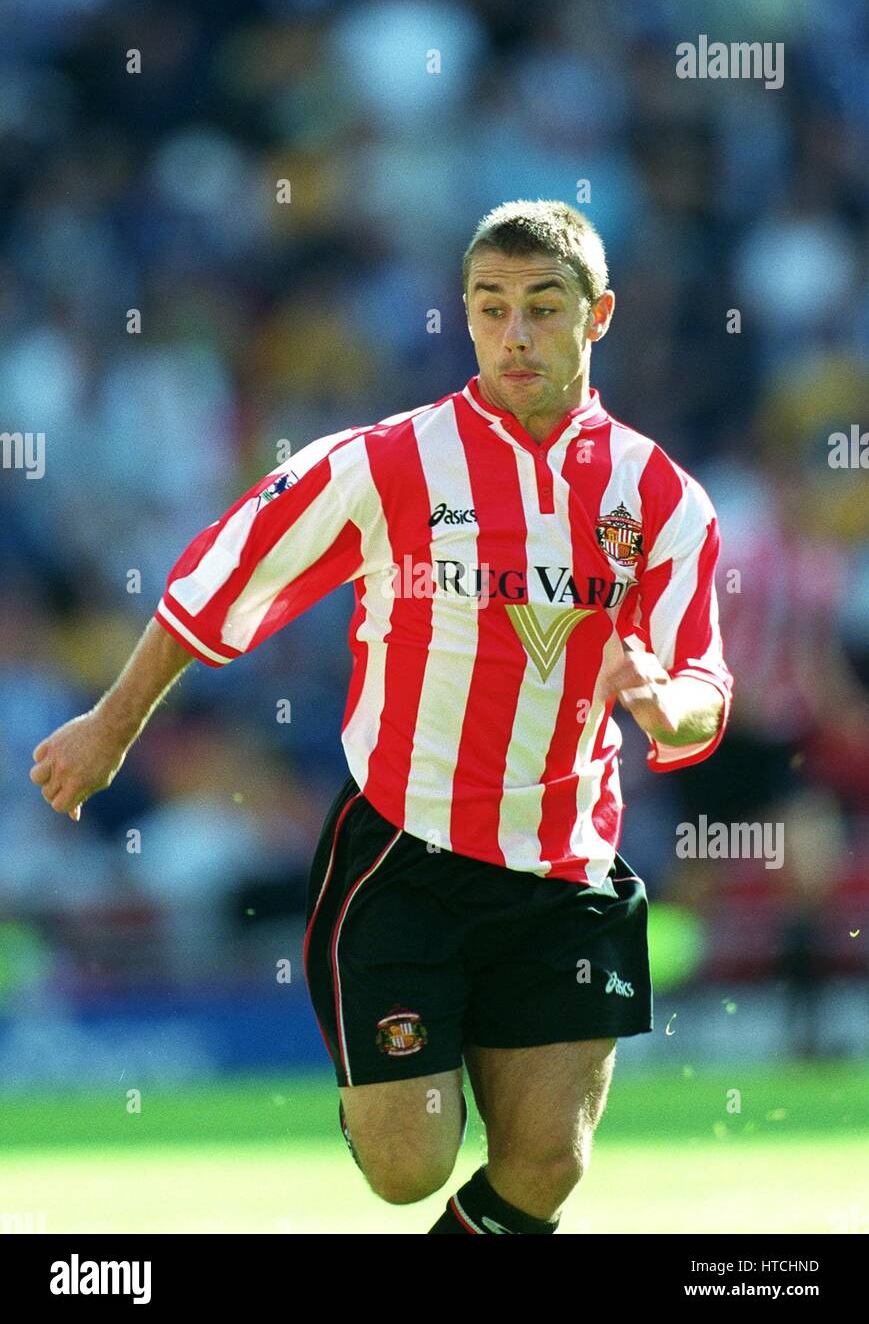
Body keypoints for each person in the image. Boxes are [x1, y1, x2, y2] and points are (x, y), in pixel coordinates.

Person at [30, 199, 732, 1234]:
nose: (515, 333)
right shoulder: (386, 462)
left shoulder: (660, 498)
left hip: (563, 868)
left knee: (545, 1164)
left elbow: (699, 688)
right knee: (407, 1169)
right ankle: (384, 1097)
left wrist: (659, 703)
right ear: (464, 314)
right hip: (406, 850)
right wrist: (110, 724)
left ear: (598, 317)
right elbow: (218, 581)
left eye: (543, 307)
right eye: (490, 308)